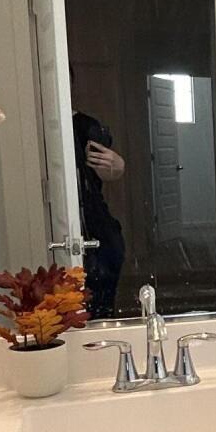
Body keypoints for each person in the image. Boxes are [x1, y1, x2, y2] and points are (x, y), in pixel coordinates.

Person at [72, 106, 126, 317]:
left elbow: (106, 172)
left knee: (101, 307)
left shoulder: (86, 126)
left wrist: (117, 167)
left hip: (100, 231)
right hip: (85, 233)